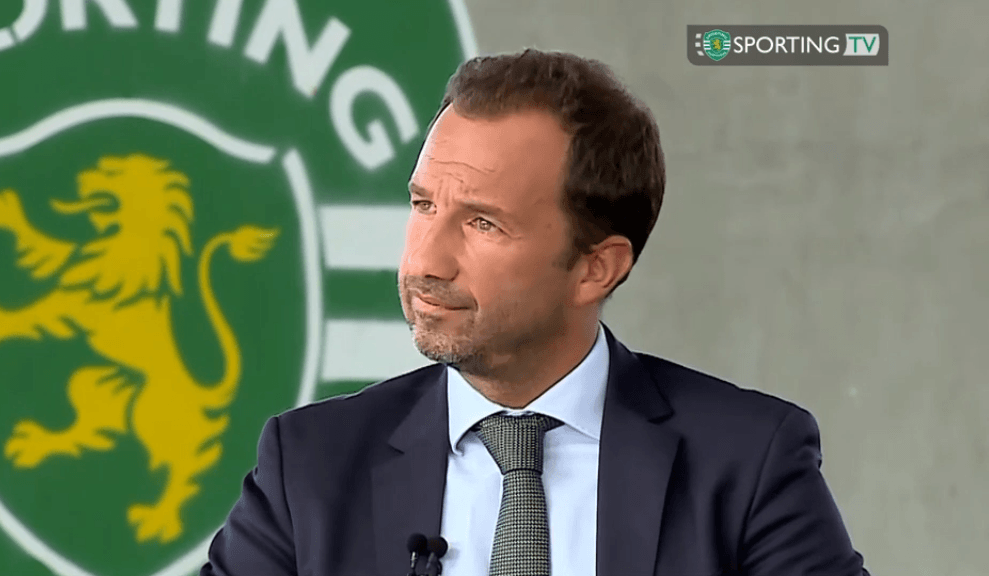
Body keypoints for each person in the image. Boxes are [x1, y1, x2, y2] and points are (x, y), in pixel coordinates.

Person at [200, 49, 870, 576]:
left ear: (595, 267)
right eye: (423, 205)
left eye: (483, 223)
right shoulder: (310, 466)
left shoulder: (747, 464)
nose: (426, 260)